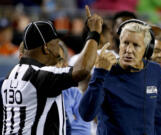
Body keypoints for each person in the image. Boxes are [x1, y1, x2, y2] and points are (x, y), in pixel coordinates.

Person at [1, 5, 103, 135]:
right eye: (56, 44)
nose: (58, 49)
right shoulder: (39, 76)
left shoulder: (11, 75)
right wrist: (94, 34)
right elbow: (82, 70)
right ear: (46, 47)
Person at [79, 19, 161, 135]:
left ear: (147, 49)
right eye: (125, 43)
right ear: (119, 44)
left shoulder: (155, 70)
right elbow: (86, 114)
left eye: (136, 45)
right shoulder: (104, 72)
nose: (129, 50)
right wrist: (99, 73)